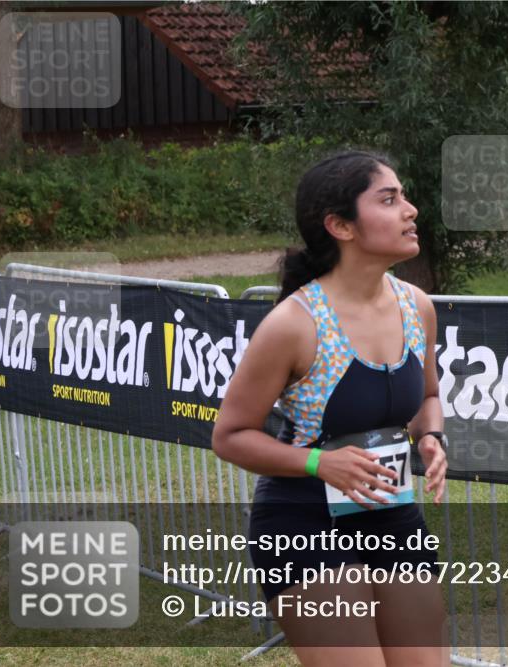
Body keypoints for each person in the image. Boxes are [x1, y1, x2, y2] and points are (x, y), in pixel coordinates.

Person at [212, 150, 449, 667]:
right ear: (340, 225)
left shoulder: (417, 306)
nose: (410, 210)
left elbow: (428, 396)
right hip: (303, 522)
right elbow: (229, 435)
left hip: (391, 517)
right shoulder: (294, 324)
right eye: (389, 199)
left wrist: (431, 437)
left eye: (404, 196)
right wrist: (322, 463)